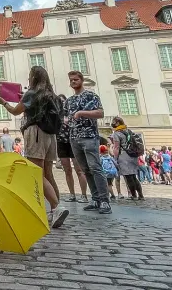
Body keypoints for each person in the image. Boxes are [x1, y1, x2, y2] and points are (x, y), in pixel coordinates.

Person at [1, 65, 67, 228]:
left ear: (34, 78)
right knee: (48, 173)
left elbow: (16, 111)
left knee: (35, 173)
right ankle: (54, 210)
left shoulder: (32, 94)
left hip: (35, 131)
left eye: (30, 76)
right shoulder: (52, 95)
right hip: (51, 135)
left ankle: (57, 207)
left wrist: (4, 103)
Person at [65, 71, 111, 215]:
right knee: (86, 170)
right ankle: (95, 199)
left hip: (89, 136)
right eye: (71, 80)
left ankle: (104, 201)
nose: (73, 82)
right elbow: (66, 117)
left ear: (82, 80)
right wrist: (66, 121)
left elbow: (100, 113)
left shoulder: (91, 96)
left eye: (76, 79)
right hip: (74, 137)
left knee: (95, 168)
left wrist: (82, 113)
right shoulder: (69, 100)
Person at [55, 94, 88, 203]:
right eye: (60, 102)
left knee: (79, 170)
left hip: (73, 141)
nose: (62, 103)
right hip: (61, 142)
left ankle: (84, 195)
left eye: (63, 101)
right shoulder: (56, 115)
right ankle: (72, 194)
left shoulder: (72, 113)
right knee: (67, 170)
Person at [108, 117, 144, 201]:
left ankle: (134, 195)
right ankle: (141, 195)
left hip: (124, 156)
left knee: (128, 177)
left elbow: (116, 147)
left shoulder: (117, 133)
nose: (112, 123)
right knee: (134, 177)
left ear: (117, 123)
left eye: (113, 122)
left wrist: (115, 158)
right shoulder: (128, 131)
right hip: (133, 156)